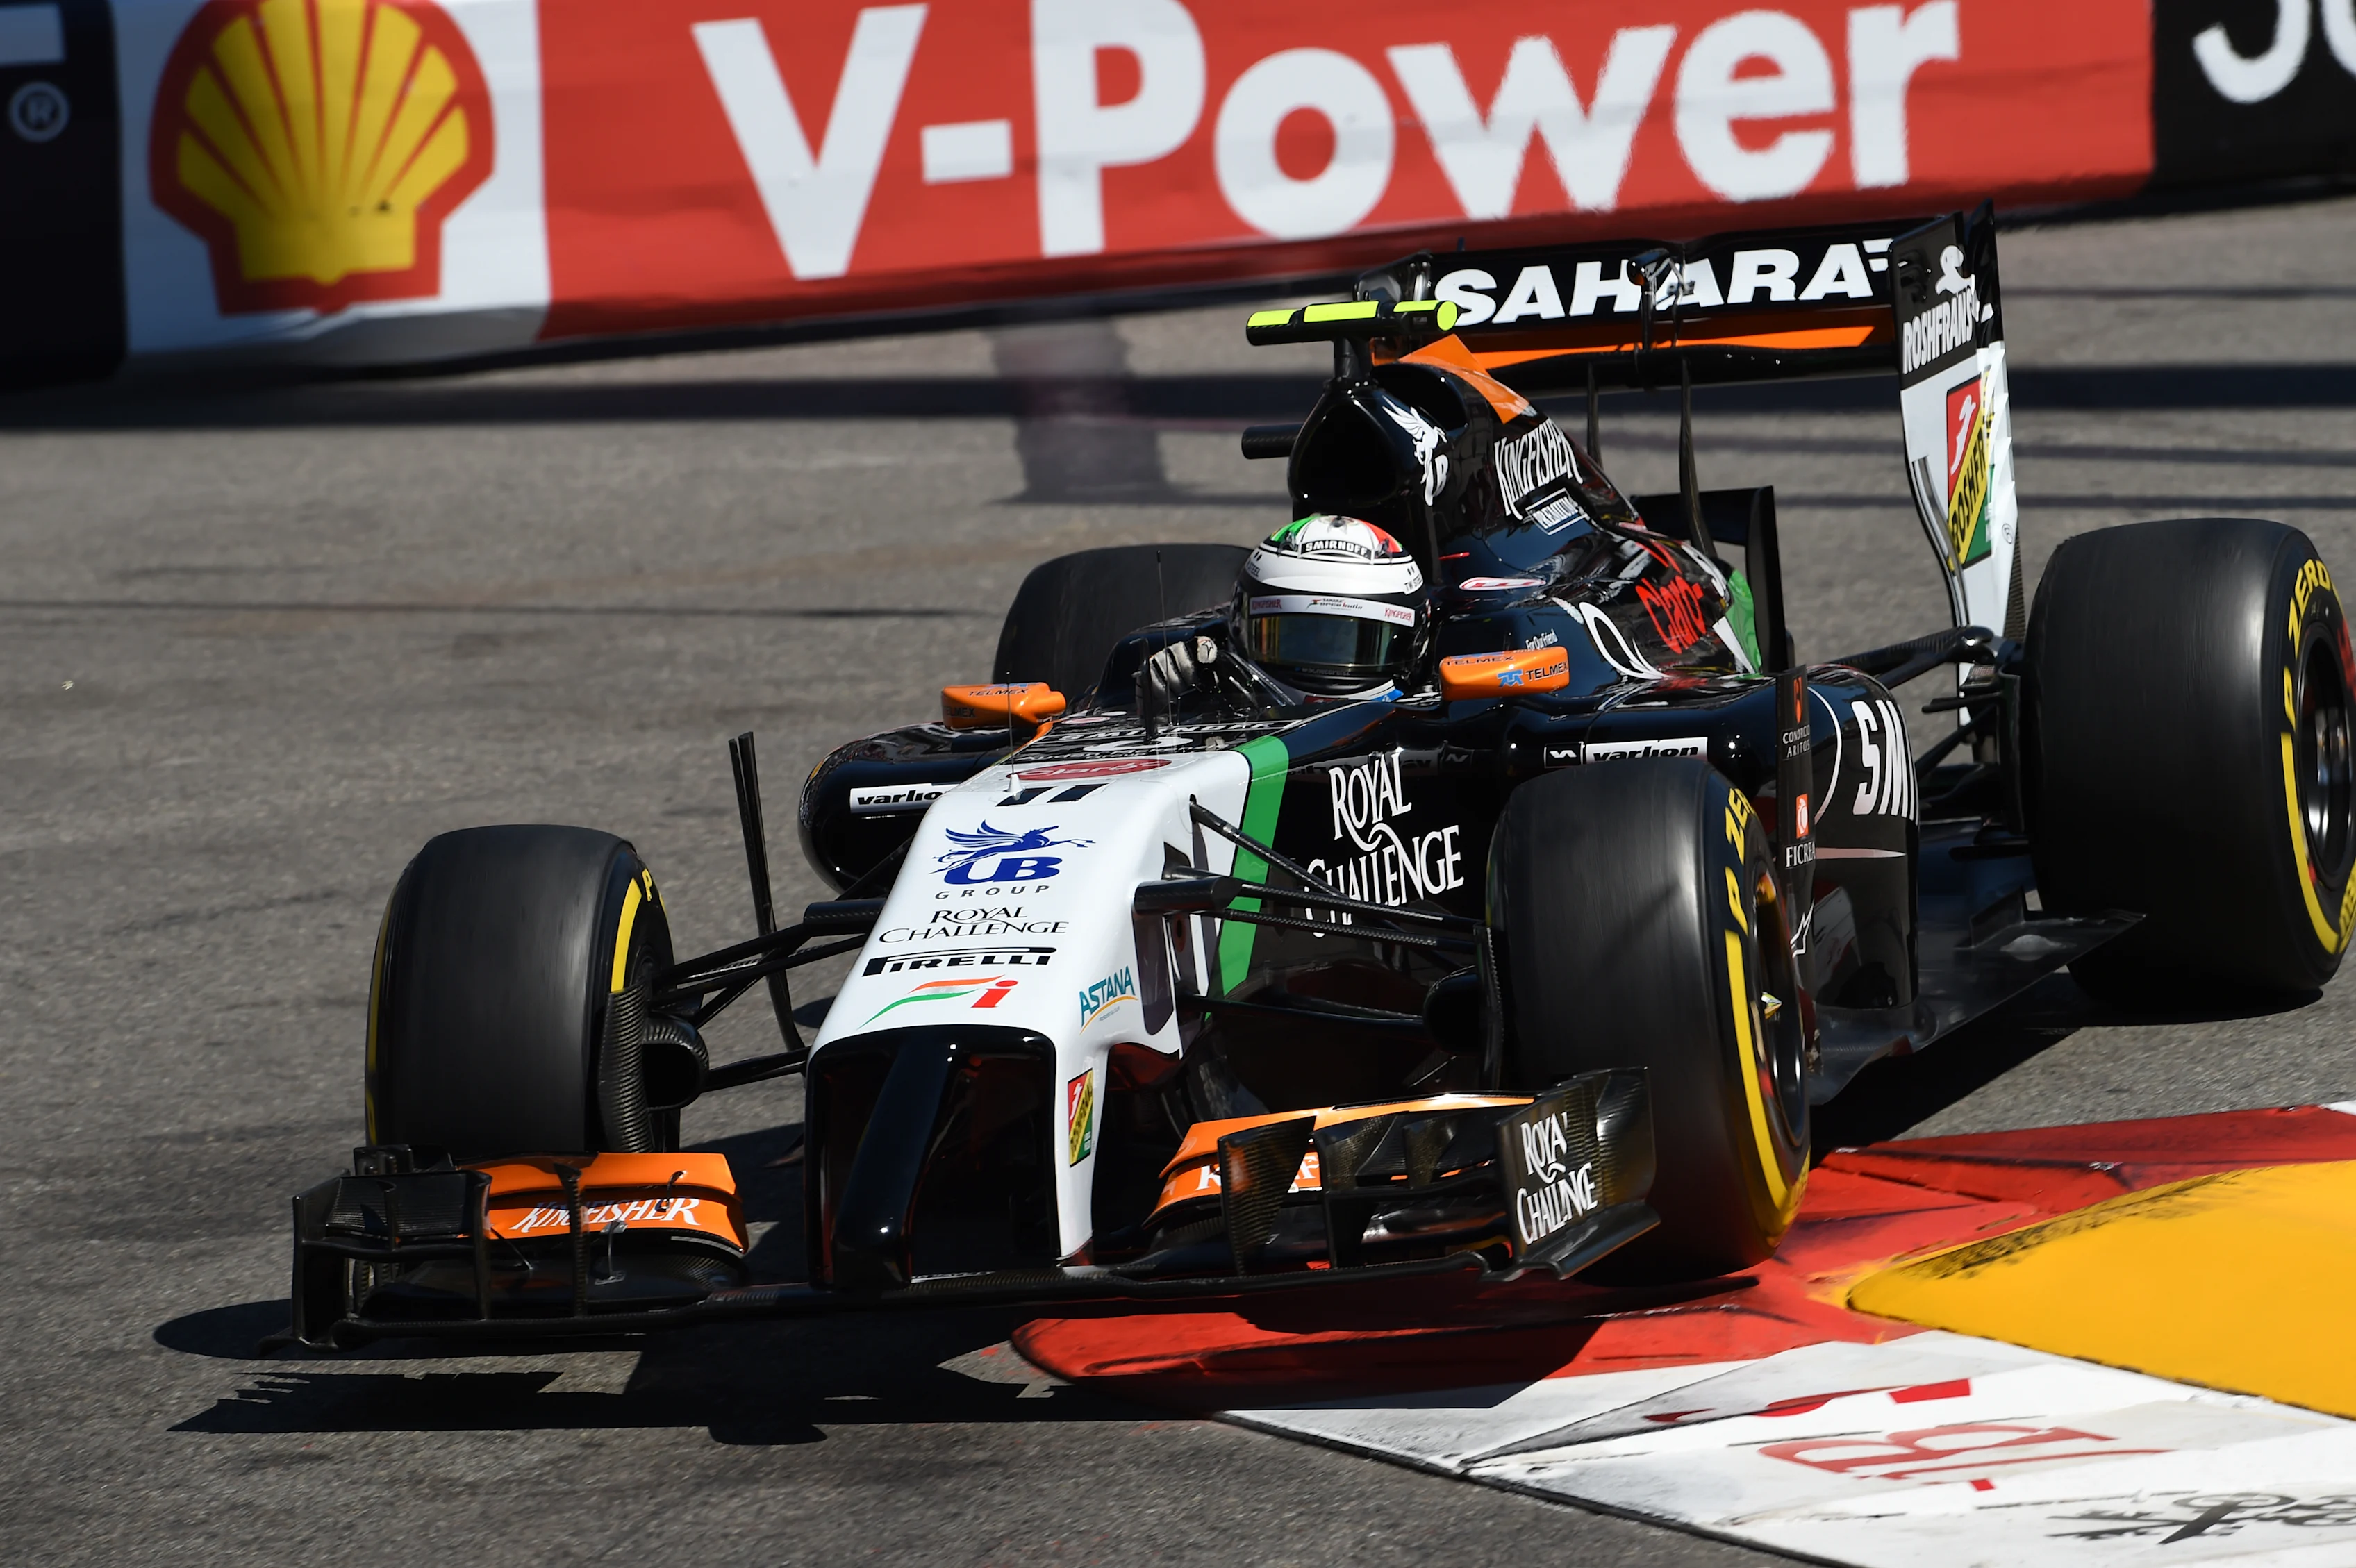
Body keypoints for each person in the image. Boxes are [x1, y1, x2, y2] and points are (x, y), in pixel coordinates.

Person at [1138, 515, 1434, 716]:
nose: (1323, 651)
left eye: (1345, 638)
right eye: (1299, 634)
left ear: (1415, 643)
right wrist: (1160, 705)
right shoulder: (1212, 688)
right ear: (1240, 627)